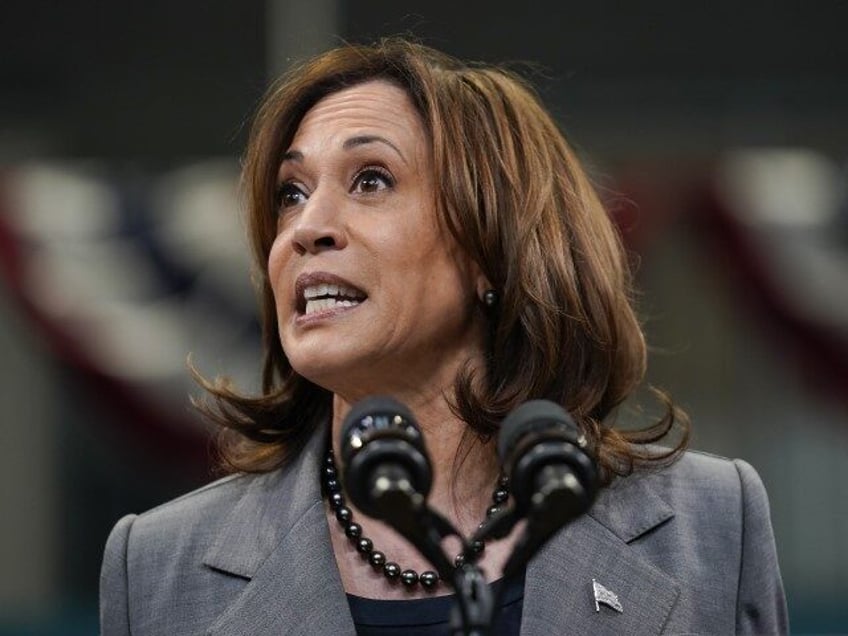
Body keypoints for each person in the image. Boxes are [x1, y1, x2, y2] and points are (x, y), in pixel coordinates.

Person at [99, 38, 788, 635]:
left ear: (491, 247)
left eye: (371, 180)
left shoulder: (710, 527)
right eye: (291, 192)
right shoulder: (160, 569)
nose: (307, 228)